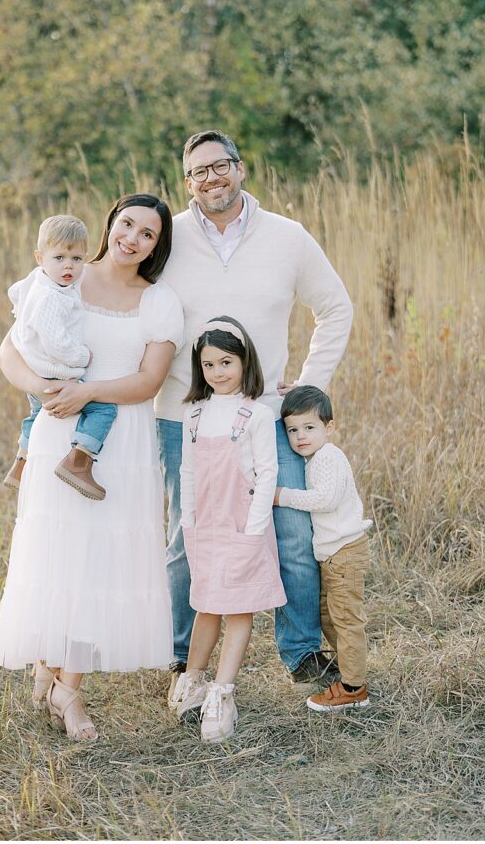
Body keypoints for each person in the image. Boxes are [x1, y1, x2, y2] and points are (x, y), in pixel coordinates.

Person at [156, 129, 353, 690]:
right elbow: (128, 300)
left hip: (266, 418)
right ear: (186, 181)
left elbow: (335, 309)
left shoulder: (287, 238)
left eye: (221, 166)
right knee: (185, 538)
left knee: (290, 531)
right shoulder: (168, 239)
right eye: (198, 171)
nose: (211, 178)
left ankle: (299, 650)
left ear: (241, 169)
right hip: (184, 417)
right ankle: (182, 657)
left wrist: (305, 392)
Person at [0, 193, 184, 741]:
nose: (132, 238)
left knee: (97, 563)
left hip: (119, 447)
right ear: (111, 224)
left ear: (156, 245)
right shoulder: (65, 271)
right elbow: (10, 352)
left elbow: (148, 383)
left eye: (147, 233)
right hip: (59, 434)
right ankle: (48, 670)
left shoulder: (159, 301)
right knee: (57, 556)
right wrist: (47, 391)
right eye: (127, 224)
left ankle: (67, 690)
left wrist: (87, 392)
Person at [170, 316, 285, 743]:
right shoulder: (194, 414)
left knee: (238, 607)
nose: (218, 373)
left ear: (244, 362)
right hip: (204, 526)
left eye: (226, 363)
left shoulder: (255, 414)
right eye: (209, 365)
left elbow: (267, 475)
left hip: (242, 526)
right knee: (206, 604)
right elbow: (187, 471)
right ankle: (193, 680)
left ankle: (223, 693)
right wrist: (187, 521)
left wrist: (253, 533)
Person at [3, 213, 117, 501]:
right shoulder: (53, 298)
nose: (69, 265)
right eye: (60, 258)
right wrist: (82, 356)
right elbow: (57, 343)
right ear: (40, 257)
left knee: (35, 414)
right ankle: (79, 460)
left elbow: (15, 291)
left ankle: (21, 463)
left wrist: (23, 311)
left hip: (35, 368)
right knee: (104, 410)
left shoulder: (37, 280)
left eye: (77, 259)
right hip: (55, 372)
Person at [276, 386, 372, 711]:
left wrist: (282, 496)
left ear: (329, 428)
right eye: (292, 430)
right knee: (330, 616)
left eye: (309, 427)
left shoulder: (329, 456)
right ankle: (349, 672)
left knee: (346, 619)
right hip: (332, 554)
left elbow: (325, 499)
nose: (300, 436)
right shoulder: (312, 458)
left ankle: (354, 689)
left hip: (345, 551)